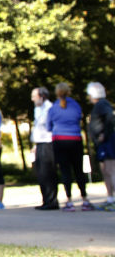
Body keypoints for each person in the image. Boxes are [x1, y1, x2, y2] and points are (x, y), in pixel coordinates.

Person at [47, 82, 93, 212]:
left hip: (59, 140)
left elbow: (48, 126)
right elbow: (79, 118)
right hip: (75, 139)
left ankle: (69, 201)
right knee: (79, 170)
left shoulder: (54, 107)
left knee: (65, 170)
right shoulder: (75, 105)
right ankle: (84, 199)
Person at [86, 82, 115, 211]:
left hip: (108, 143)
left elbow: (110, 117)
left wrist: (105, 133)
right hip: (102, 144)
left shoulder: (102, 104)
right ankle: (110, 198)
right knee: (105, 171)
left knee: (111, 170)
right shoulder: (99, 105)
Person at [30, 87, 59, 210]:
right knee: (41, 172)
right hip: (40, 143)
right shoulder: (37, 109)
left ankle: (52, 201)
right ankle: (45, 200)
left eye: (34, 96)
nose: (32, 99)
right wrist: (35, 145)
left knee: (48, 172)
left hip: (48, 142)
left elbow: (48, 126)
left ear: (42, 96)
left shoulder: (50, 108)